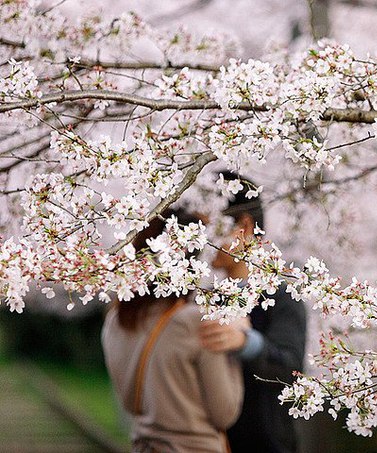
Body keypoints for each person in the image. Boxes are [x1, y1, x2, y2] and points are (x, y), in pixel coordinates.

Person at [101, 209, 243, 453]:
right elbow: (225, 412)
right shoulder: (197, 320)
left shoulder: (116, 319)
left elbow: (128, 401)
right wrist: (238, 338)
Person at [199, 172, 307, 453]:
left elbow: (291, 368)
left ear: (243, 227)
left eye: (210, 228)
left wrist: (245, 343)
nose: (201, 240)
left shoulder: (283, 297)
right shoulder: (206, 297)